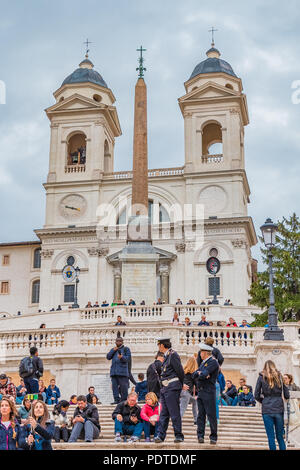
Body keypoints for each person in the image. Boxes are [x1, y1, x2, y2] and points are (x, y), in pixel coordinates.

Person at [154, 337, 185, 444]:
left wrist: (180, 385)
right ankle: (161, 435)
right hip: (165, 388)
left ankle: (178, 435)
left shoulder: (173, 355)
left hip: (172, 387)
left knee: (174, 413)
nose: (158, 347)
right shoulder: (167, 356)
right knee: (163, 414)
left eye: (159, 345)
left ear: (162, 345)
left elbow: (180, 371)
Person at [254, 360, 290, 451]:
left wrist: (264, 401)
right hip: (278, 409)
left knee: (271, 437)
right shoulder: (280, 377)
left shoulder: (261, 377)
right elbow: (287, 395)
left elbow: (256, 395)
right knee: (280, 437)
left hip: (267, 410)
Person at [193, 343, 219, 445]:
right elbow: (194, 374)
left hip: (208, 391)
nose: (199, 354)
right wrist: (200, 373)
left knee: (211, 415)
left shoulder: (213, 362)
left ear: (205, 353)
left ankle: (213, 437)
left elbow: (202, 374)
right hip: (201, 391)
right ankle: (200, 435)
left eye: (201, 352)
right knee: (201, 415)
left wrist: (201, 373)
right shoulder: (203, 363)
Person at [107, 337, 131, 404]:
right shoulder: (113, 349)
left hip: (122, 373)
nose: (118, 342)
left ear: (122, 342)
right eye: (117, 341)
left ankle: (124, 400)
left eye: (120, 341)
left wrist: (122, 357)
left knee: (124, 388)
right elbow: (108, 357)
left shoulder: (126, 349)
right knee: (114, 388)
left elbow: (128, 359)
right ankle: (116, 400)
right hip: (114, 372)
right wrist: (113, 350)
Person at [180, 356, 198, 424]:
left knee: (194, 401)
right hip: (186, 392)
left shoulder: (183, 372)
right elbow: (197, 384)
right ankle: (177, 422)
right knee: (182, 408)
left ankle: (196, 420)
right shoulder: (193, 373)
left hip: (180, 391)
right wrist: (197, 394)